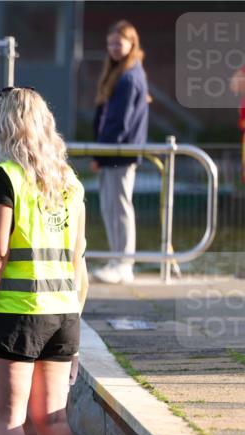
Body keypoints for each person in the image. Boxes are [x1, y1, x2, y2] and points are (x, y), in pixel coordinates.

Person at [0, 87, 89, 435]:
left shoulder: (1, 177)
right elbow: (79, 260)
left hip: (13, 314)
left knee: (7, 423)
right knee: (52, 421)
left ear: (7, 124)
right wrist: (76, 319)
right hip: (63, 315)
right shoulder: (69, 183)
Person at [90, 20, 149, 285]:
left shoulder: (130, 77)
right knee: (110, 206)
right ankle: (117, 260)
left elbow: (120, 122)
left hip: (119, 154)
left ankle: (123, 263)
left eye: (119, 42)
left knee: (119, 207)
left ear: (131, 43)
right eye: (110, 42)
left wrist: (99, 155)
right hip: (113, 153)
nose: (114, 47)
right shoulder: (120, 73)